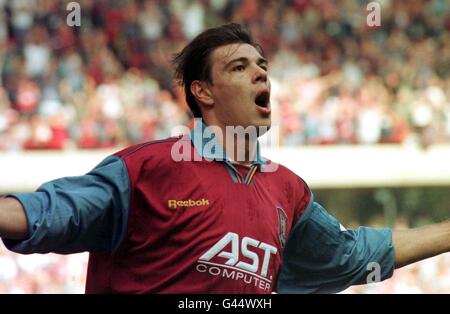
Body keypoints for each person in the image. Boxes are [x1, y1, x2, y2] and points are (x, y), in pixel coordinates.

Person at [0, 23, 449, 294]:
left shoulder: (287, 190)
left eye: (263, 67)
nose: (260, 72)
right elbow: (51, 212)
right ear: (203, 92)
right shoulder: (149, 168)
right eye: (239, 67)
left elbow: (355, 255)